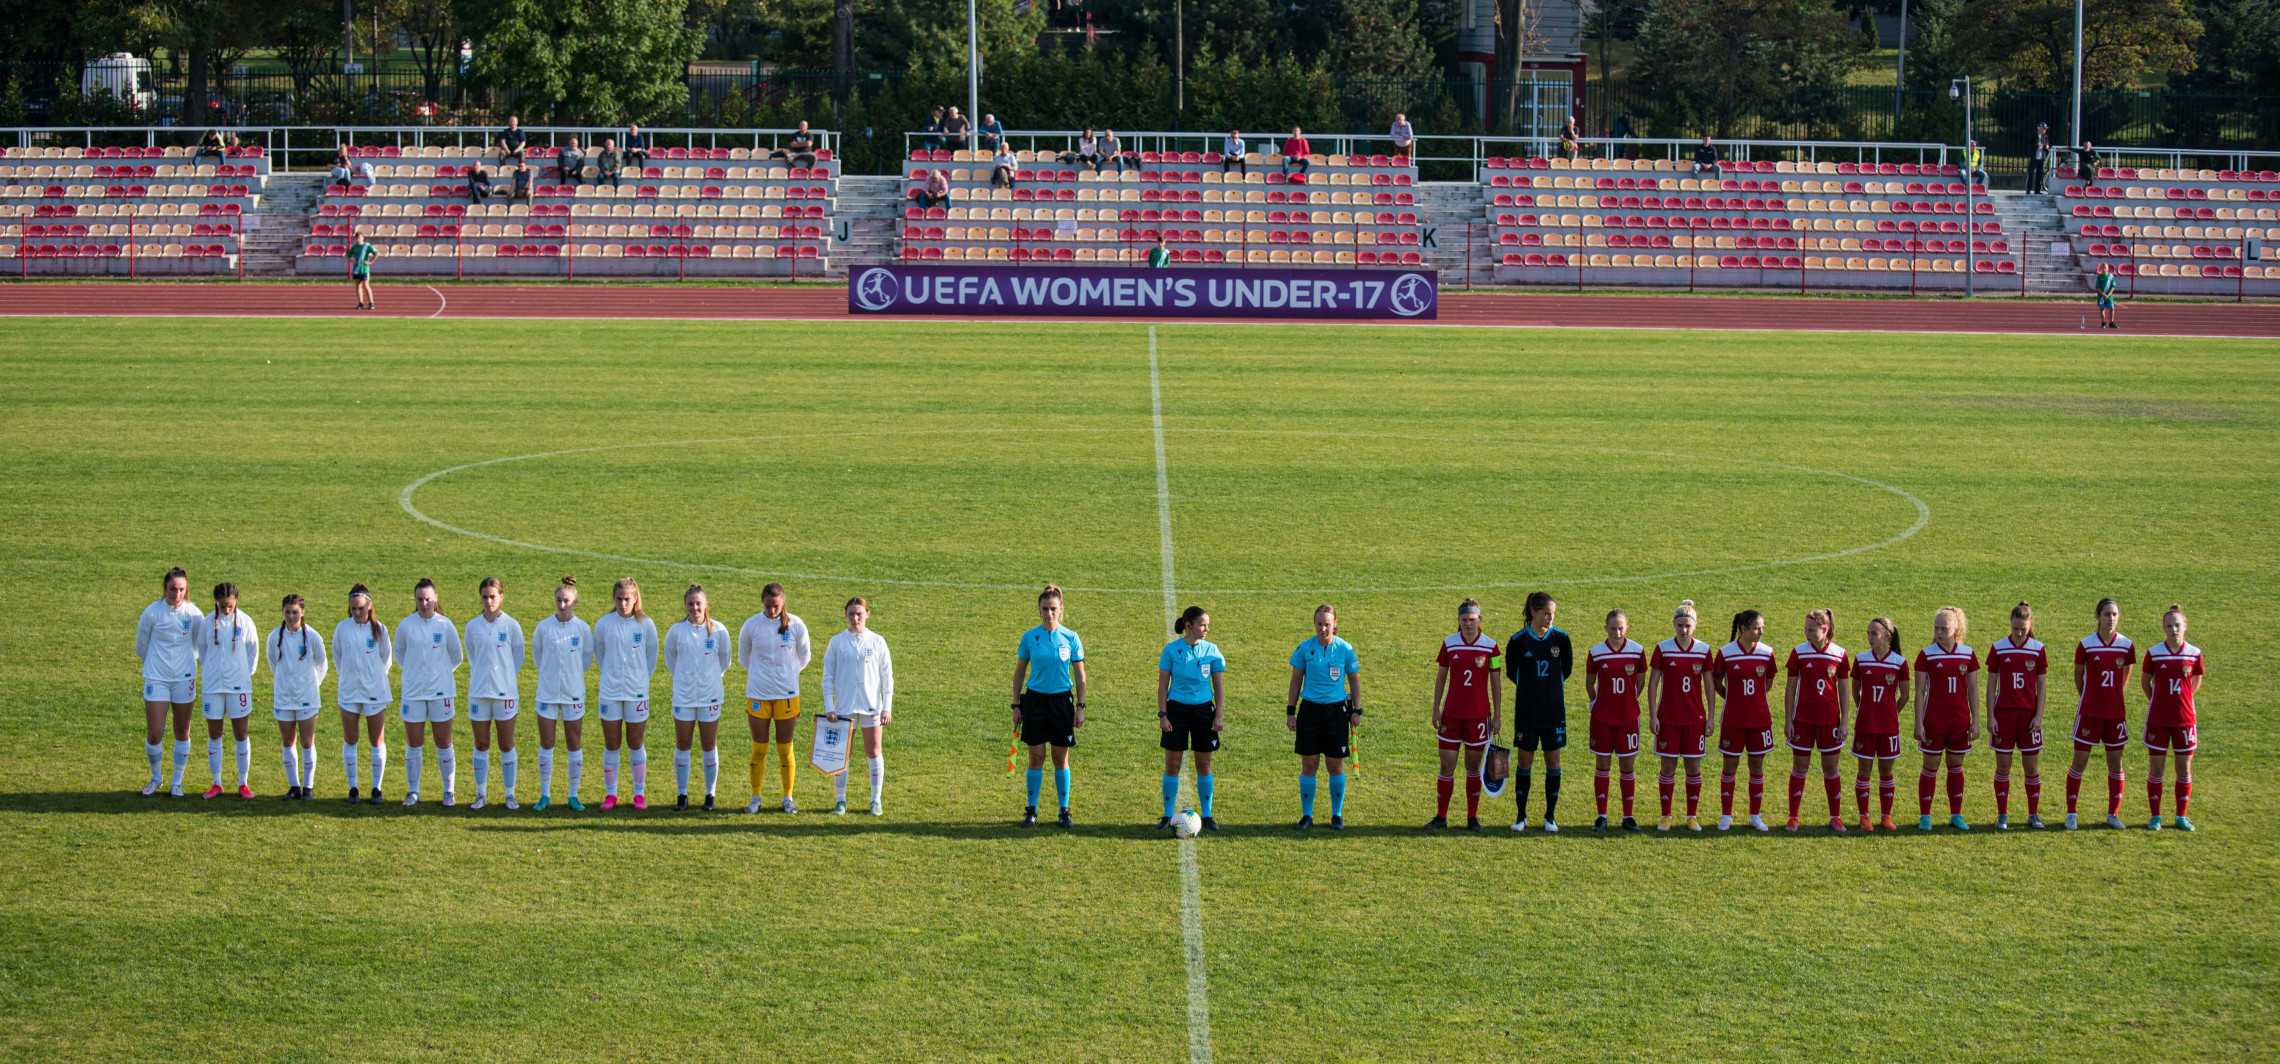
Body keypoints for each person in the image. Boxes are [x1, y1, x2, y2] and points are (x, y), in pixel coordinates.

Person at [1013, 586, 1086, 827]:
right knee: (1036, 757)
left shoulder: (1071, 637)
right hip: (1034, 702)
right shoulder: (1029, 637)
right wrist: (1016, 705)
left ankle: (1064, 811)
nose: (1049, 613)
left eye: (1053, 609)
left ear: (1061, 609)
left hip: (1061, 703)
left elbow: (1080, 677)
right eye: (1045, 609)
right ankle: (1031, 810)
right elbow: (1020, 672)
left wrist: (1081, 707)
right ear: (1039, 610)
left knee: (1060, 757)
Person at [1428, 599, 1501, 831]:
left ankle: (1472, 817)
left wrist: (1497, 715)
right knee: (1446, 765)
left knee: (1473, 767)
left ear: (1480, 620)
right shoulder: (1449, 644)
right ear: (1458, 621)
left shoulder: (1492, 647)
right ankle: (1441, 816)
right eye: (1464, 620)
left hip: (1479, 717)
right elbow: (1441, 676)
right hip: (1451, 715)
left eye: (1472, 620)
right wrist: (1435, 708)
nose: (1468, 624)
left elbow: (1496, 682)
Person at [739, 582, 811, 814]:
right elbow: (744, 658)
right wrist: (761, 677)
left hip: (787, 696)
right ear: (762, 603)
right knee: (759, 748)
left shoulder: (796, 625)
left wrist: (786, 675)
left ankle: (787, 797)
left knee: (785, 748)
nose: (772, 610)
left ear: (783, 603)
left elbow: (804, 658)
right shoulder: (751, 626)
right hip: (758, 695)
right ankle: (755, 796)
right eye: (769, 606)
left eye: (776, 606)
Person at [1287, 604, 1361, 830]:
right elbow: (1295, 680)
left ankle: (1336, 815)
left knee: (1335, 766)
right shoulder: (1304, 648)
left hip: (1337, 712)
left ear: (1335, 624)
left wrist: (1357, 710)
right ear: (1315, 624)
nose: (1323, 628)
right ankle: (1307, 815)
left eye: (1327, 624)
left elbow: (1354, 681)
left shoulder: (1345, 649)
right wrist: (1291, 711)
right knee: (1309, 765)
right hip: (1309, 711)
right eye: (1319, 624)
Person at [821, 596, 895, 816]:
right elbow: (827, 678)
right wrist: (829, 707)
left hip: (871, 707)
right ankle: (841, 801)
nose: (855, 618)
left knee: (873, 752)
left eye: (859, 614)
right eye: (851, 614)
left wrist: (886, 707)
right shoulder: (836, 642)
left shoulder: (877, 641)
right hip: (843, 708)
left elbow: (887, 677)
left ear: (867, 615)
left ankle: (875, 800)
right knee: (843, 755)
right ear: (845, 615)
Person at [1505, 591, 1572, 832]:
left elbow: (1567, 669)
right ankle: (1521, 816)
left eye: (1553, 613)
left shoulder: (1562, 640)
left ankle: (1550, 817)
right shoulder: (1518, 641)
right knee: (1525, 761)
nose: (1550, 617)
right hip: (1527, 712)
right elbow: (1512, 672)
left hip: (1554, 712)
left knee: (1553, 761)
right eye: (1546, 613)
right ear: (1534, 612)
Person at [2066, 597, 2134, 830]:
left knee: (2115, 763)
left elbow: (2125, 675)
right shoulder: (2086, 645)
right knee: (2079, 762)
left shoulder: (2126, 645)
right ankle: (2071, 813)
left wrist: (2112, 696)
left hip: (2115, 714)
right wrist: (2090, 697)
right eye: (2106, 614)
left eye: (2114, 614)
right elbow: (2078, 678)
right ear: (2097, 616)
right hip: (2089, 713)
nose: (2111, 618)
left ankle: (2113, 814)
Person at [394, 578, 463, 807]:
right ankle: (413, 791)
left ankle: (449, 791)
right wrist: (416, 674)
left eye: (427, 599)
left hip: (441, 693)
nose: (424, 603)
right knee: (413, 743)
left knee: (443, 742)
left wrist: (439, 674)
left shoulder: (445, 625)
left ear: (435, 599)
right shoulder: (406, 625)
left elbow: (456, 656)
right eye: (420, 599)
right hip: (413, 693)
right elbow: (400, 656)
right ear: (415, 600)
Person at [664, 584, 732, 811]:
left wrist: (709, 679)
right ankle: (681, 794)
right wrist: (685, 680)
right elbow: (671, 661)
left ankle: (709, 794)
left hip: (710, 697)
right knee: (683, 744)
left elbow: (725, 661)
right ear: (685, 605)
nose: (695, 607)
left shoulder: (719, 631)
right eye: (690, 604)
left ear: (706, 605)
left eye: (698, 603)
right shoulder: (676, 631)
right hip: (683, 697)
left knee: (708, 745)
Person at [1157, 606, 1226, 832]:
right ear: (1189, 626)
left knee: (1203, 765)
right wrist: (1163, 715)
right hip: (1176, 712)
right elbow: (1162, 686)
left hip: (1204, 712)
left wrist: (1218, 715)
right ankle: (1167, 816)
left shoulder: (1212, 650)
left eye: (1207, 624)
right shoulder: (1171, 651)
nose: (1206, 629)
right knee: (1172, 765)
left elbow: (1218, 686)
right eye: (1202, 625)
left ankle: (1207, 816)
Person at [135, 567, 202, 797]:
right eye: (173, 589)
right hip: (157, 678)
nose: (177, 593)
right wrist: (157, 665)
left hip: (184, 679)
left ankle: (177, 781)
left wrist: (184, 666)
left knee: (182, 730)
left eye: (181, 589)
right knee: (155, 733)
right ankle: (156, 777)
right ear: (164, 588)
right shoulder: (152, 613)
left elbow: (198, 646)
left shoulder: (193, 614)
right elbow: (141, 646)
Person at [594, 577, 660, 811]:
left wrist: (638, 679)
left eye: (627, 599)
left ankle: (639, 794)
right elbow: (600, 656)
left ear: (635, 599)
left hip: (637, 693)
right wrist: (613, 677)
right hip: (610, 693)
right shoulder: (604, 624)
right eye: (619, 599)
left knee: (635, 742)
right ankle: (611, 794)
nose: (623, 604)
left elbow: (651, 659)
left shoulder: (646, 625)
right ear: (614, 599)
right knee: (612, 743)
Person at [1782, 609, 1850, 832]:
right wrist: (1788, 720)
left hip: (1830, 721)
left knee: (1830, 768)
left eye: (1811, 630)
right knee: (1799, 766)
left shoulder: (1839, 654)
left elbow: (1843, 690)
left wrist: (1844, 722)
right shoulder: (1799, 652)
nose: (1807, 633)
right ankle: (1793, 817)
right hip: (1802, 720)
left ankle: (1835, 816)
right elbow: (1790, 687)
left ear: (1825, 629)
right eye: (1805, 629)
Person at [1913, 606, 1979, 831]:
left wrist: (1976, 720)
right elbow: (1919, 691)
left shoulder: (1968, 654)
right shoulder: (1927, 654)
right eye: (1936, 628)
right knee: (1930, 766)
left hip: (1959, 721)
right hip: (1934, 721)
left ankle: (1956, 815)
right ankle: (1925, 816)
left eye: (1944, 628)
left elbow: (1972, 690)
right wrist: (1918, 723)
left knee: (1956, 766)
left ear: (1956, 628)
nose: (1939, 632)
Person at [1983, 601, 2048, 830]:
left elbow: (2042, 686)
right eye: (2015, 629)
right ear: (2010, 625)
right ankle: (2002, 814)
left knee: (2031, 767)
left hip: (2028, 718)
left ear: (2030, 626)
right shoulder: (1999, 648)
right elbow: (1991, 685)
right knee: (2003, 766)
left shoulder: (2038, 648)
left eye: (2023, 629)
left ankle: (2033, 814)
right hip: (2004, 717)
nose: (2019, 633)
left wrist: (2039, 716)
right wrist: (1990, 716)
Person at [1712, 609, 1778, 832]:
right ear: (1743, 629)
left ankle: (1754, 815)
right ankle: (1726, 815)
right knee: (1729, 767)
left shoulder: (1767, 653)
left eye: (1762, 628)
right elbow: (1716, 681)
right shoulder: (1726, 653)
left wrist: (1756, 700)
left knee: (1756, 767)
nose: (1761, 632)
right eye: (1757, 628)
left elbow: (1769, 682)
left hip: (1759, 720)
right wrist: (1732, 698)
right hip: (1733, 720)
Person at [1647, 600, 1711, 831]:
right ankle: (1666, 816)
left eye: (1687, 625)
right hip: (1668, 719)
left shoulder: (1704, 650)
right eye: (1679, 625)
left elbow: (1709, 685)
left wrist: (1711, 716)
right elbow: (1653, 683)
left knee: (1693, 768)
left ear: (1695, 626)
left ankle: (1691, 816)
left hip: (1695, 720)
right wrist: (1653, 715)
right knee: (1667, 768)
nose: (1683, 629)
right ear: (1673, 625)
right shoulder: (1663, 648)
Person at [463, 576, 525, 810]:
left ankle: (509, 794)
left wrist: (504, 678)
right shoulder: (473, 626)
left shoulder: (511, 626)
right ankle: (481, 794)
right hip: (479, 693)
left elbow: (517, 657)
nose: (488, 601)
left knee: (506, 745)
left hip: (505, 694)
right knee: (481, 744)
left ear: (501, 597)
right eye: (484, 597)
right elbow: (472, 655)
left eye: (492, 596)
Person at [531, 577, 592, 811]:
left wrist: (571, 678)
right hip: (546, 693)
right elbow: (538, 656)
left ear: (575, 601)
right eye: (558, 600)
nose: (562, 605)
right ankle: (545, 794)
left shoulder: (583, 628)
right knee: (547, 743)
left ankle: (573, 795)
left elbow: (585, 659)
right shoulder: (544, 627)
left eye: (566, 601)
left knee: (573, 743)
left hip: (573, 694)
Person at [195, 582, 260, 800]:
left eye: (230, 605)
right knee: (215, 734)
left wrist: (242, 675)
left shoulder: (246, 622)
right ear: (216, 602)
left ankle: (243, 782)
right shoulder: (206, 623)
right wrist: (213, 673)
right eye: (222, 606)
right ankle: (217, 783)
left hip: (238, 687)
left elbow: (253, 650)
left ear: (236, 602)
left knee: (241, 734)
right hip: (213, 687)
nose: (226, 609)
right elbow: (202, 652)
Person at [1582, 609, 1645, 831]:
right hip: (1602, 719)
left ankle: (1628, 817)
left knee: (1627, 767)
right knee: (1603, 765)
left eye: (1621, 628)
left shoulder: (1637, 651)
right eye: (1612, 628)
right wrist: (1596, 703)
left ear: (1627, 627)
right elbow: (1590, 683)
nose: (1617, 632)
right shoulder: (1596, 652)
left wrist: (1629, 701)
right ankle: (1602, 815)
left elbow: (1640, 681)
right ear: (1605, 628)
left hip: (1628, 719)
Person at [2141, 605, 2202, 831]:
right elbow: (2145, 682)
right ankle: (2155, 816)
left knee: (2183, 769)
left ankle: (2180, 816)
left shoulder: (2194, 653)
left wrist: (2182, 700)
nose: (2174, 629)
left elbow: (2195, 683)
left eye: (2177, 625)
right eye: (2169, 626)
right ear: (2163, 628)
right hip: (2158, 720)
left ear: (2185, 626)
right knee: (2156, 769)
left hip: (2185, 721)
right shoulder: (2154, 652)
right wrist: (2157, 700)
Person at [333, 584, 393, 804]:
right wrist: (350, 677)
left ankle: (376, 787)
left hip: (375, 691)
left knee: (376, 740)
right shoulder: (342, 628)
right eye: (353, 609)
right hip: (349, 692)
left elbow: (386, 660)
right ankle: (353, 787)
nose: (356, 613)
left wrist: (371, 678)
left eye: (360, 608)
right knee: (350, 739)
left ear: (369, 606)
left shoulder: (380, 630)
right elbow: (337, 658)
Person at [1850, 616, 1909, 831]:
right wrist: (1864, 708)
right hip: (1866, 724)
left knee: (1886, 771)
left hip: (1888, 727)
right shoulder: (1861, 659)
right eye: (1868, 633)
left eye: (1873, 633)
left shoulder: (1899, 662)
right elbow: (1855, 690)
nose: (1869, 637)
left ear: (1887, 636)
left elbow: (1905, 695)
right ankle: (1864, 817)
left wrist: (1891, 713)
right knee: (1864, 770)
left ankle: (1886, 817)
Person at [268, 594, 327, 801]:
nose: (291, 616)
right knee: (287, 741)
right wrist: (285, 683)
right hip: (284, 697)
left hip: (307, 697)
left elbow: (322, 663)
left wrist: (311, 685)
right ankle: (294, 786)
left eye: (295, 612)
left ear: (302, 612)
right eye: (287, 612)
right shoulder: (275, 636)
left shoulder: (312, 636)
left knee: (307, 741)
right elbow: (273, 664)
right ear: (282, 612)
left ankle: (308, 787)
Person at [347, 231, 377, 311]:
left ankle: (371, 302)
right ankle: (361, 303)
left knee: (366, 285)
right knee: (358, 285)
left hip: (364, 269)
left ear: (362, 238)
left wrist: (370, 262)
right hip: (357, 269)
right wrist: (352, 261)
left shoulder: (367, 246)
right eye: (356, 238)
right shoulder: (355, 247)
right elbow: (347, 255)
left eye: (359, 238)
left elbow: (376, 253)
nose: (358, 240)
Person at [2027, 122, 2052, 194]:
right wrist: (2036, 146)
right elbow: (2029, 145)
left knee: (2039, 174)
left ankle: (2037, 190)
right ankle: (2028, 189)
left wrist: (2046, 147)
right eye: (2044, 129)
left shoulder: (2045, 136)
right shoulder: (2033, 135)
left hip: (2041, 157)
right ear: (2040, 129)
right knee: (2031, 173)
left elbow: (2046, 145)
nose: (2045, 130)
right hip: (2034, 157)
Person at [2095, 262, 2119, 330]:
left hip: (2109, 296)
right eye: (2102, 268)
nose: (2104, 269)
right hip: (2101, 296)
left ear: (2107, 268)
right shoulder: (2099, 277)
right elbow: (2097, 287)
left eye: (2105, 268)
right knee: (2102, 309)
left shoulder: (2111, 277)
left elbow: (2113, 286)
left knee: (2111, 308)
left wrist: (2108, 295)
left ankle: (2111, 322)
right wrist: (2103, 294)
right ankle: (2103, 322)